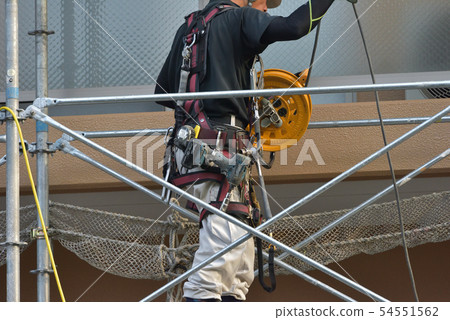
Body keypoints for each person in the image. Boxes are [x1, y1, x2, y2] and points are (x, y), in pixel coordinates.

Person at [155, 0, 336, 302]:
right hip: (215, 150)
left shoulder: (188, 29)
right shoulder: (238, 17)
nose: (265, 11)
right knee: (223, 245)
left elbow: (166, 92)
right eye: (264, 2)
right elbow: (294, 26)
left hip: (194, 150)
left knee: (240, 260)